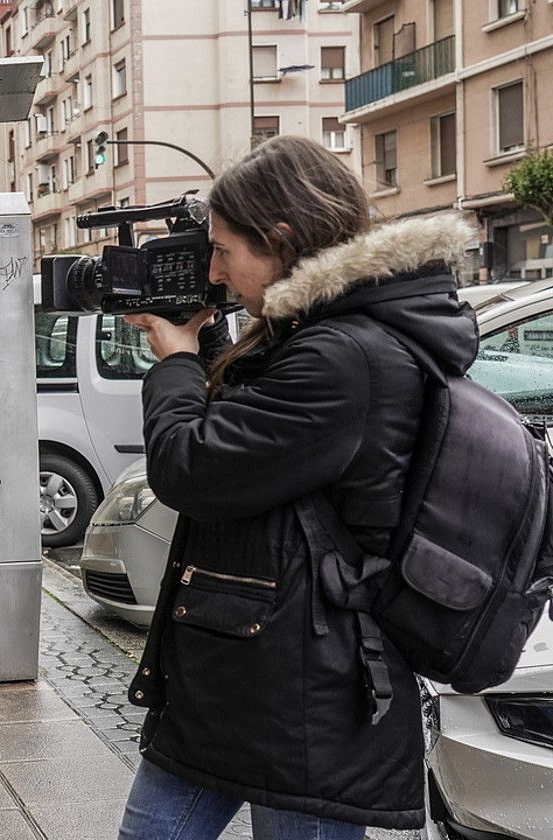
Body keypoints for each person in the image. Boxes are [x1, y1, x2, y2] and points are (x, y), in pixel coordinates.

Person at [115, 136, 475, 839]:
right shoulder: (322, 332)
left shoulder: (345, 354)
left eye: (224, 251)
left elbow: (194, 468)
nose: (214, 273)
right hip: (243, 672)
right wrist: (210, 348)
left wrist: (178, 367)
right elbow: (264, 441)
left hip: (304, 695)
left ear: (279, 239)